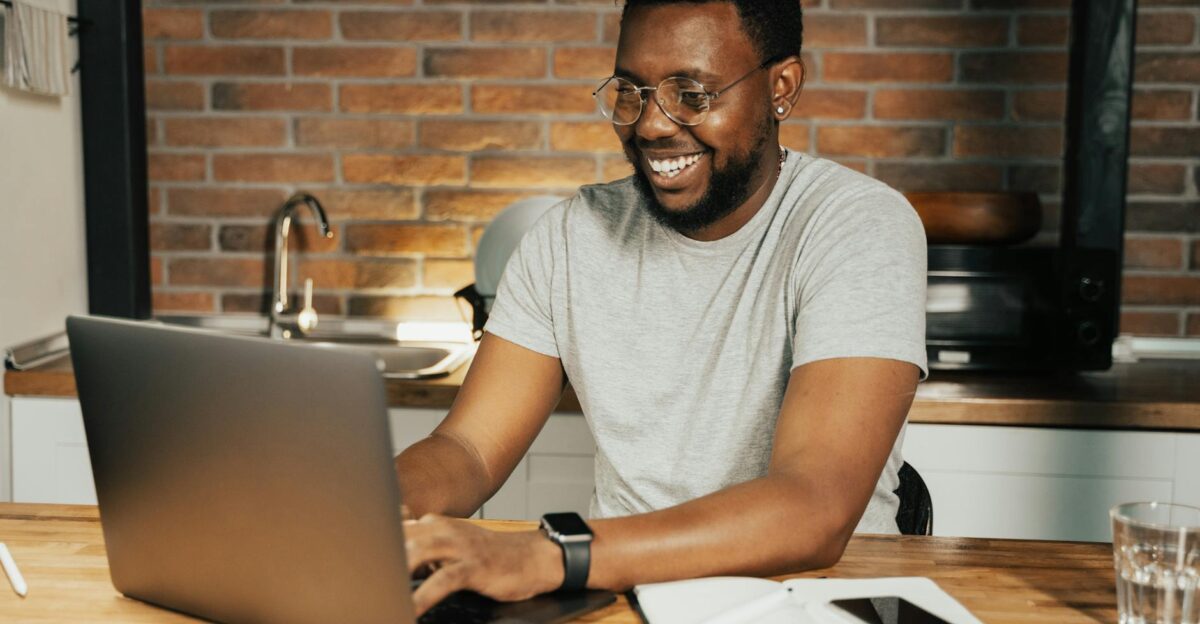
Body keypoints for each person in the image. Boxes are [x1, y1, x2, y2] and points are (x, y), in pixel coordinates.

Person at [395, 0, 928, 615]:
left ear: (782, 87)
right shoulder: (571, 236)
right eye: (633, 91)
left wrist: (549, 556)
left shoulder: (858, 226)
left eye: (692, 95)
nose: (650, 125)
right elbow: (468, 448)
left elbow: (814, 508)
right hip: (622, 597)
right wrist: (379, 511)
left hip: (815, 602)